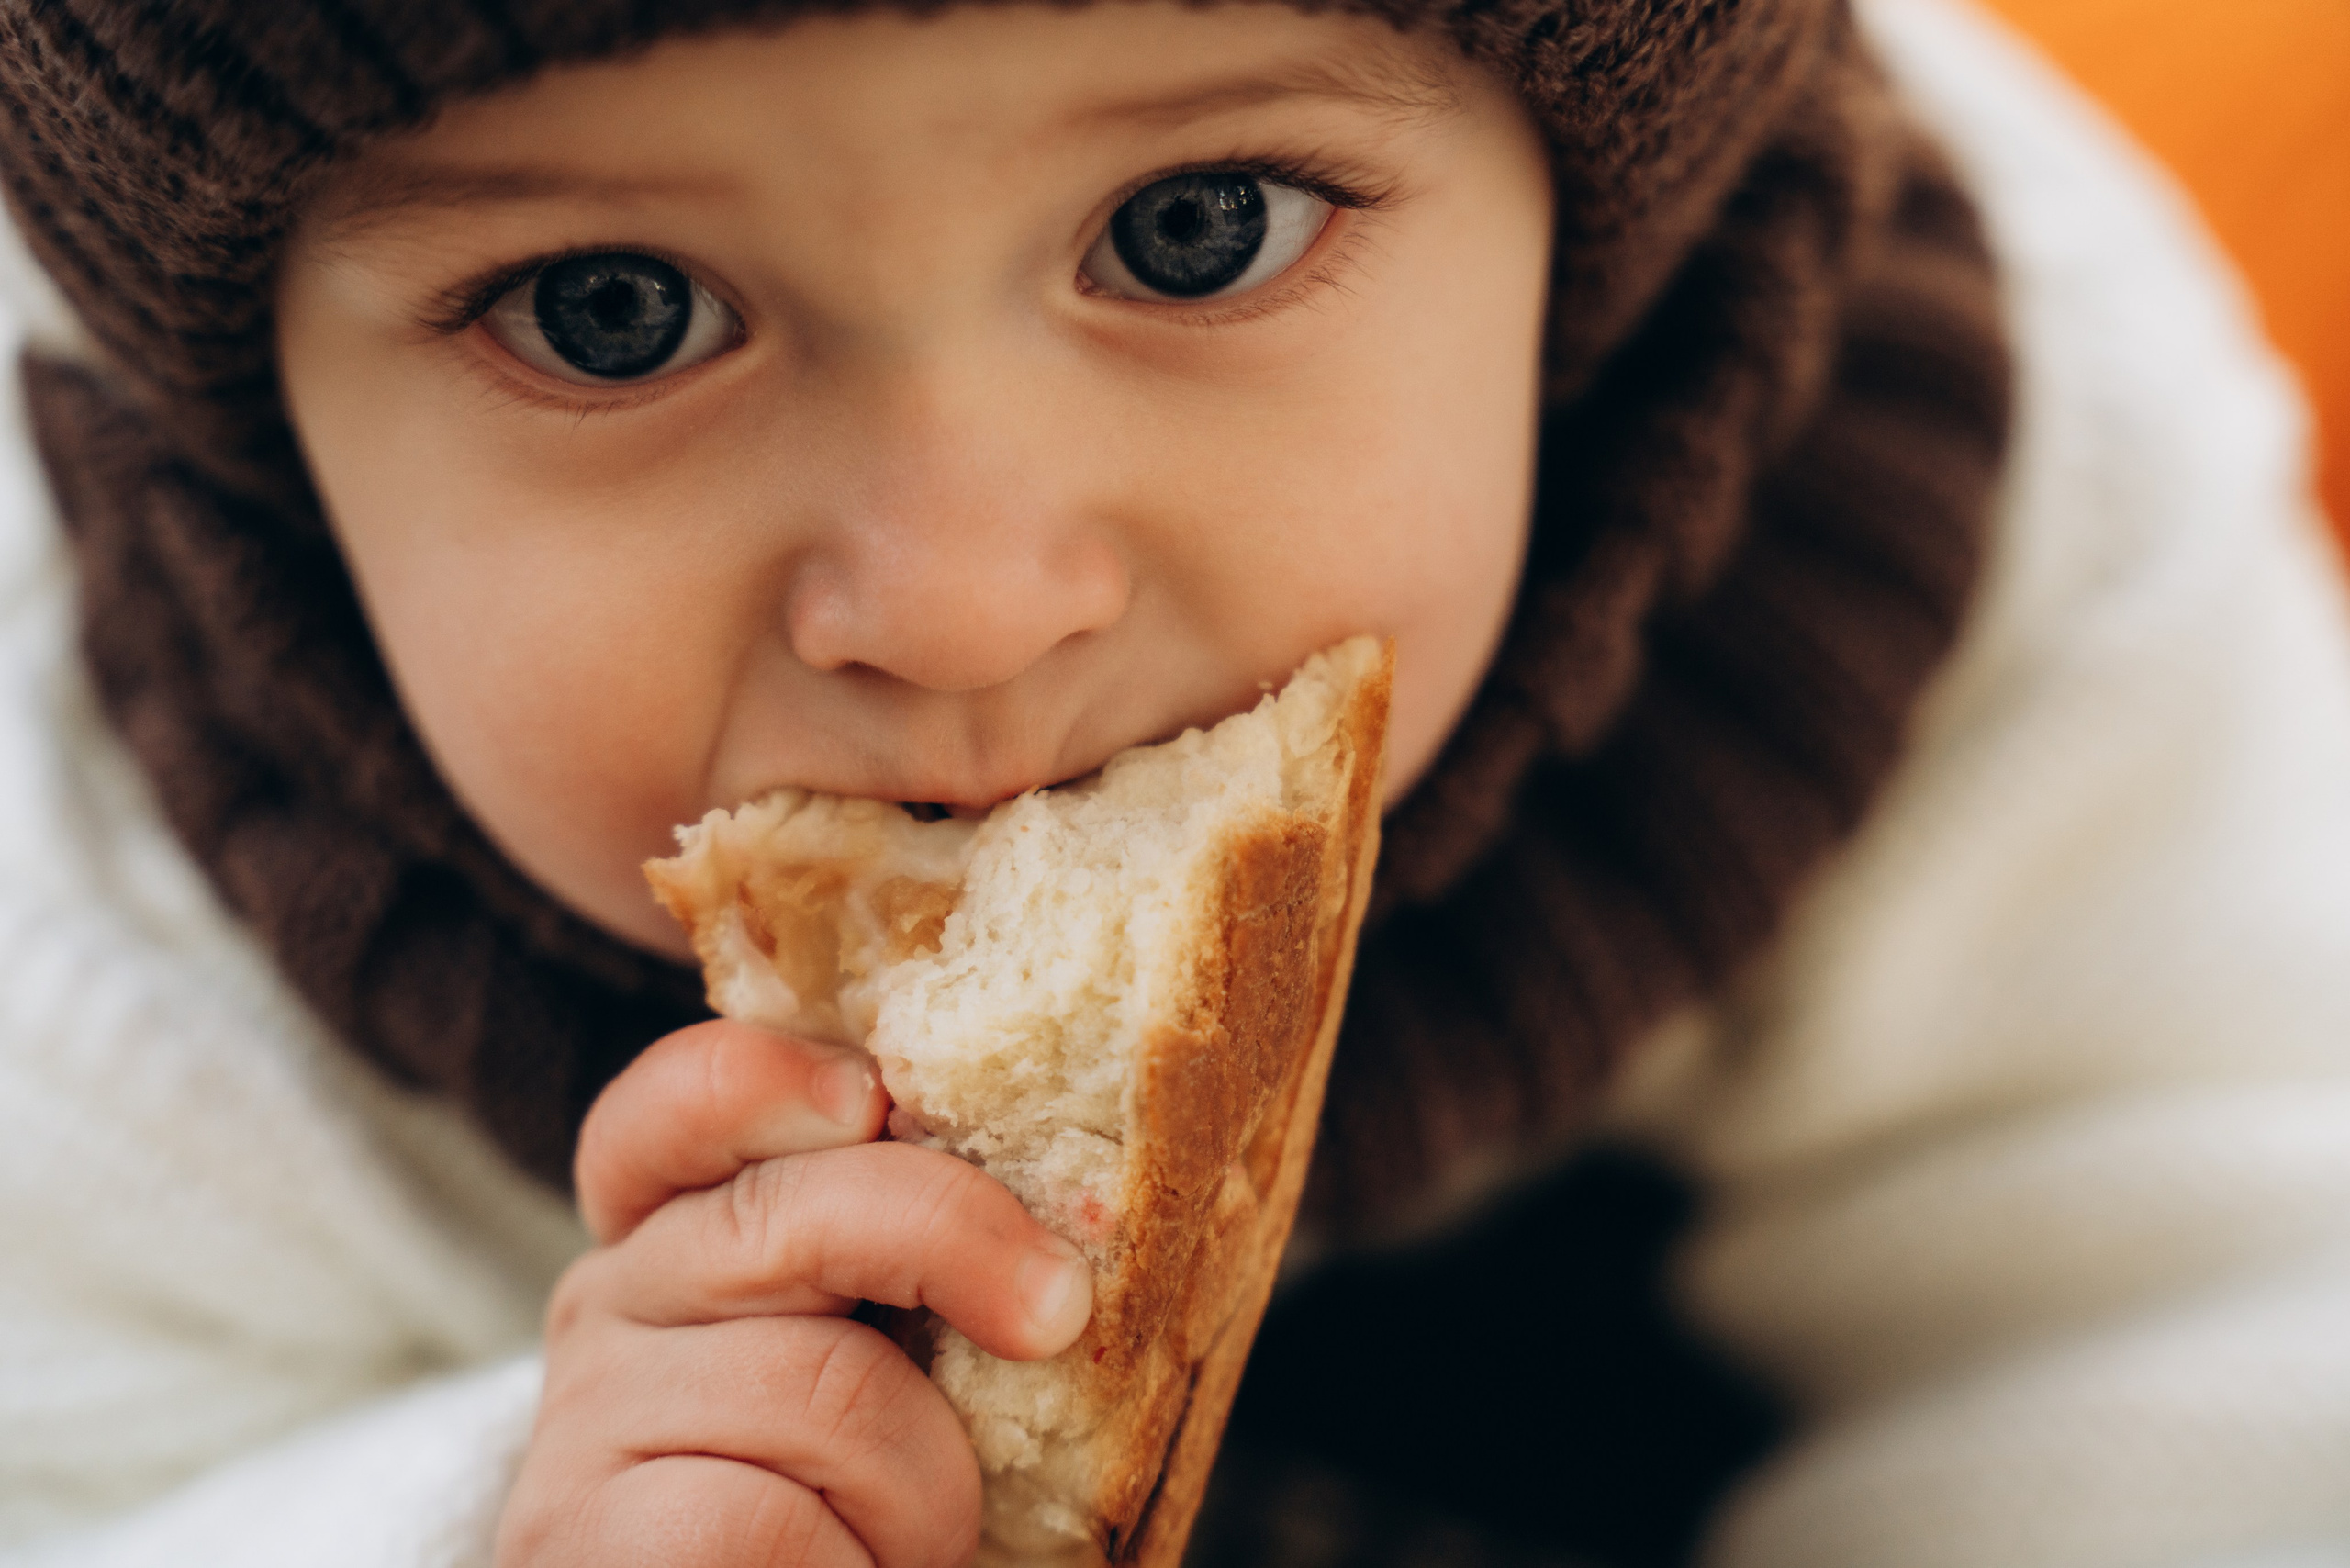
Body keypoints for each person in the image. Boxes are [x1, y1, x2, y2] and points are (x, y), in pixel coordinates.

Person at [1, 0, 2346, 1564]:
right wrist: (503, 1506)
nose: (959, 594)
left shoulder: (1976, 463)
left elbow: (2223, 1280)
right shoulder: (83, 893)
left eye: (1191, 228)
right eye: (610, 308)